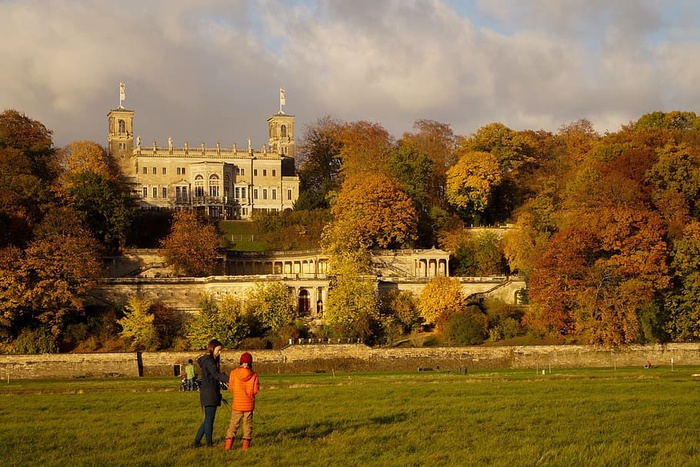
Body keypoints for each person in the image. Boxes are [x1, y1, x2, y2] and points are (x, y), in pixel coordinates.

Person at [192, 339, 230, 447]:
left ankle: (197, 441)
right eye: (218, 350)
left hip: (210, 392)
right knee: (209, 420)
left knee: (208, 419)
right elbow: (216, 375)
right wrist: (232, 379)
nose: (220, 352)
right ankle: (209, 443)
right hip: (209, 393)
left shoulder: (209, 361)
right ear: (212, 348)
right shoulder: (209, 361)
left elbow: (215, 376)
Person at [224, 352, 260, 451]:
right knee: (247, 426)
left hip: (237, 404)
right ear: (250, 363)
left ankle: (228, 447)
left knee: (233, 425)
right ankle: (245, 448)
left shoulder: (233, 373)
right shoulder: (254, 375)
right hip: (249, 404)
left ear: (240, 362)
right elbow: (255, 390)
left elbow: (231, 387)